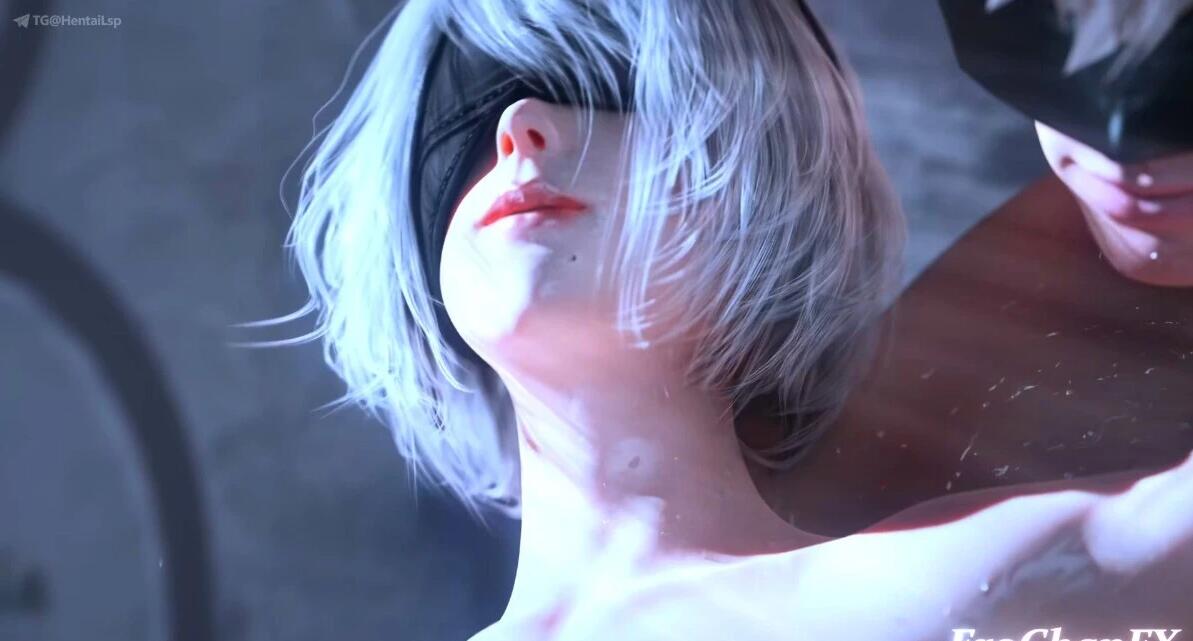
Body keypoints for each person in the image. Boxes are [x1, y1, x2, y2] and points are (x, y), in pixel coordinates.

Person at [283, 0, 1193, 637]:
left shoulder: (950, 593)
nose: (519, 127)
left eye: (601, 84)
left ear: (762, 163)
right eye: (463, 114)